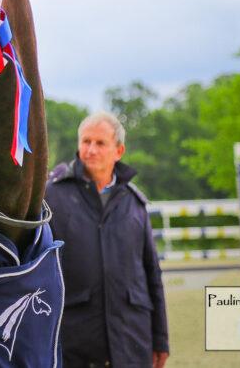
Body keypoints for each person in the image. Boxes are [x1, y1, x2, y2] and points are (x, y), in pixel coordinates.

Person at [46, 112, 170, 368]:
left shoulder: (134, 203)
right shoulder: (52, 196)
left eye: (100, 143)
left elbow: (151, 275)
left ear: (119, 151)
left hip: (132, 339)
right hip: (74, 340)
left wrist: (160, 339)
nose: (90, 150)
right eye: (85, 141)